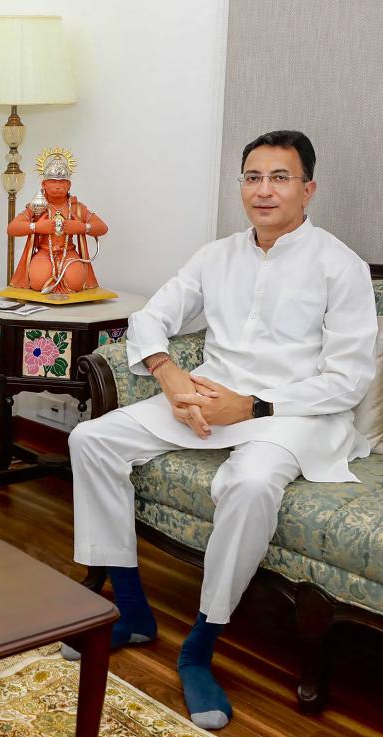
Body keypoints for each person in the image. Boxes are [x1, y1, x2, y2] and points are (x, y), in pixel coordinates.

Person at [65, 130, 377, 729]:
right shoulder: (217, 255)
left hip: (294, 415)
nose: (264, 190)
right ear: (241, 187)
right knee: (92, 439)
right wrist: (169, 375)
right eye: (252, 177)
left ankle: (200, 647)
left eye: (280, 178)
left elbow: (348, 380)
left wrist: (255, 407)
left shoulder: (340, 267)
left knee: (251, 485)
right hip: (205, 396)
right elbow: (151, 317)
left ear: (308, 189)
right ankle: (130, 611)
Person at [7, 148, 108, 293]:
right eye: (53, 181)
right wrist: (36, 227)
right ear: (43, 184)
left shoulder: (77, 208)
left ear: (69, 186)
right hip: (44, 253)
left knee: (75, 282)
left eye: (62, 182)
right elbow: (12, 228)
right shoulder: (37, 207)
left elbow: (102, 228)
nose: (58, 186)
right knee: (38, 281)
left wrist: (82, 227)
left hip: (69, 254)